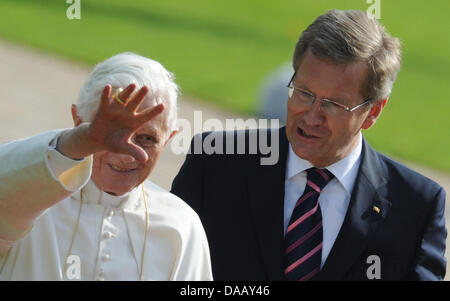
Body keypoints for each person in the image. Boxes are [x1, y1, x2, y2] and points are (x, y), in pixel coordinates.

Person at [171, 9, 447, 280]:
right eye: (304, 93)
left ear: (373, 111)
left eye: (334, 104)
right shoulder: (216, 162)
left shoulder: (416, 206)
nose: (312, 116)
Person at [0, 52, 213, 281]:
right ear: (78, 122)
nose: (127, 156)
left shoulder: (180, 225)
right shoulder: (30, 196)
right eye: (110, 135)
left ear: (168, 139)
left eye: (147, 139)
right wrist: (81, 142)